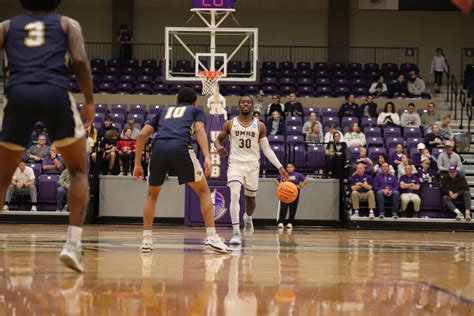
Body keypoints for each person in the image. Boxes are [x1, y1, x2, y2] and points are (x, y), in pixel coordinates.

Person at [0, 0, 95, 272]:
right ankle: (73, 244)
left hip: (18, 93)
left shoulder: (6, 26)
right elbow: (79, 60)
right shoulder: (67, 23)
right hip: (55, 92)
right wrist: (88, 99)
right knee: (78, 170)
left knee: (2, 176)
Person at [133, 88, 230, 253]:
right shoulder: (196, 111)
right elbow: (199, 130)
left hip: (158, 148)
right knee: (205, 192)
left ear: (176, 100)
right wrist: (207, 157)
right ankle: (212, 237)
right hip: (180, 147)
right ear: (194, 102)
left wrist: (137, 164)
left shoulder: (163, 111)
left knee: (152, 195)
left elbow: (142, 135)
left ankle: (147, 240)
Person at [215, 95, 289, 245]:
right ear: (239, 105)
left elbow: (267, 150)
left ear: (252, 106)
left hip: (252, 166)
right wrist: (218, 147)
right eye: (243, 102)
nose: (246, 104)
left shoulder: (260, 126)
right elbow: (217, 139)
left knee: (250, 200)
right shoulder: (230, 123)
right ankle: (236, 233)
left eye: (248, 102)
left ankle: (248, 217)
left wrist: (280, 167)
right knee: (234, 194)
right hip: (235, 164)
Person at [275, 163, 307, 230]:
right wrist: (279, 186)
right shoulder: (284, 174)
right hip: (284, 193)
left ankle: (290, 223)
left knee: (293, 208)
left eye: (291, 167)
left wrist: (300, 186)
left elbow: (306, 180)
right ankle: (281, 222)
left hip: (294, 193)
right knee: (283, 208)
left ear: (294, 168)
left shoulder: (298, 174)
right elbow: (275, 180)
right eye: (288, 167)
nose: (289, 168)